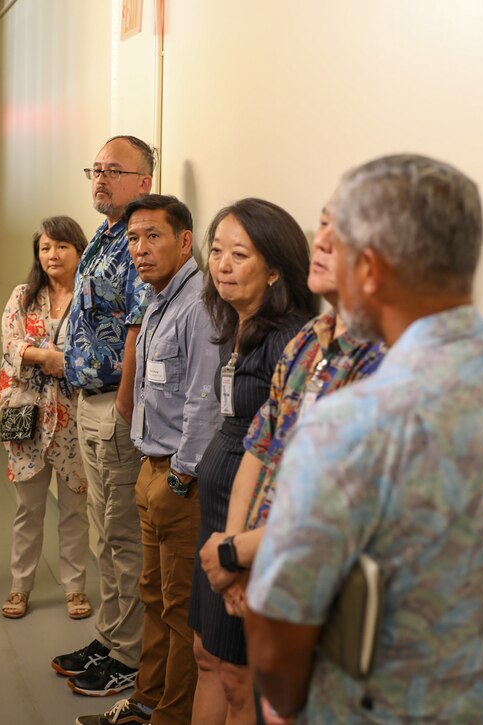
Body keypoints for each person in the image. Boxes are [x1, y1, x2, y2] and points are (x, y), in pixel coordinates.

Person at [245, 154, 483, 723]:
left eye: (338, 238)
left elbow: (278, 628)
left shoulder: (350, 427)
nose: (323, 246)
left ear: (371, 270)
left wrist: (285, 707)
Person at [195, 199, 386, 720]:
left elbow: (338, 508)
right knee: (213, 663)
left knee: (250, 685)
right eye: (321, 226)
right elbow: (262, 445)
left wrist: (238, 553)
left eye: (336, 232)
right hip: (243, 539)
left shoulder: (388, 365)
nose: (319, 241)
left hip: (305, 571)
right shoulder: (309, 341)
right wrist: (232, 545)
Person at [78, 195, 222, 725]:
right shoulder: (159, 297)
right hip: (151, 467)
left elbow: (205, 403)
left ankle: (170, 714)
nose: (140, 249)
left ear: (185, 241)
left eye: (153, 236)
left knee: (181, 609)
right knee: (153, 597)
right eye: (134, 238)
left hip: (179, 478)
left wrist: (180, 476)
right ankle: (144, 701)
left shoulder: (199, 304)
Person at [188, 199, 316, 725]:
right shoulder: (237, 324)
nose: (222, 264)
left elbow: (285, 459)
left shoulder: (291, 341)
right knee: (206, 656)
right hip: (220, 512)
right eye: (216, 251)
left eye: (239, 254)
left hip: (253, 527)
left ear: (275, 269)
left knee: (240, 678)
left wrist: (240, 552)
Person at [52, 135, 155, 698]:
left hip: (116, 407)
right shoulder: (102, 237)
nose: (100, 177)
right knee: (102, 535)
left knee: (121, 536)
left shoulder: (141, 240)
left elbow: (138, 327)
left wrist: (121, 402)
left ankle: (128, 655)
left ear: (143, 181)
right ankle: (108, 636)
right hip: (87, 403)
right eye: (96, 168)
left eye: (114, 170)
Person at [0, 216, 91, 620]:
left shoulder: (91, 296)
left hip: (75, 418)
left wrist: (60, 360)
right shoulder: (23, 295)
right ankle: (20, 587)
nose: (53, 254)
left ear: (79, 250)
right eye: (45, 247)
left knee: (74, 510)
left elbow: (101, 349)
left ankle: (74, 589)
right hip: (28, 414)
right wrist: (46, 357)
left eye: (62, 246)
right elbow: (10, 343)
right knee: (28, 510)